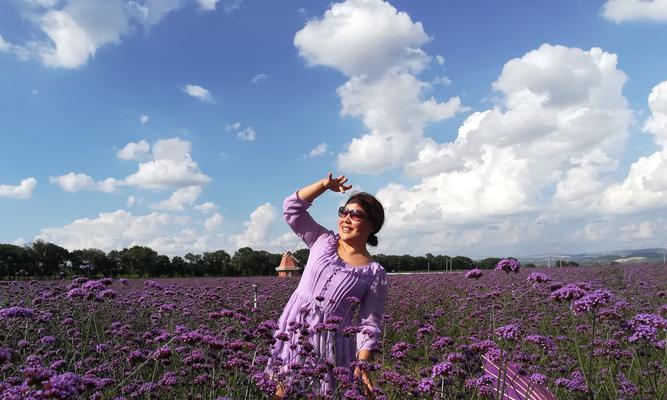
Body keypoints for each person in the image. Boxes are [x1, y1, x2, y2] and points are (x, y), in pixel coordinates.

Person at [266, 172, 389, 399]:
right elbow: (292, 208)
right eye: (343, 212)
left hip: (332, 346)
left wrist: (362, 364)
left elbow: (368, 324)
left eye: (356, 214)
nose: (346, 218)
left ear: (372, 225)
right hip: (293, 334)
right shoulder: (322, 241)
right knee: (280, 394)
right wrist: (324, 185)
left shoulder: (374, 273)